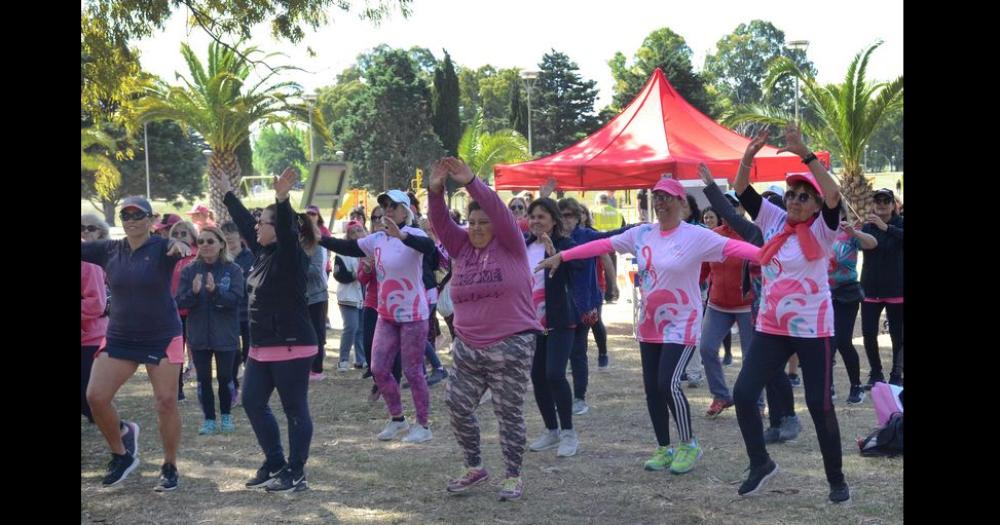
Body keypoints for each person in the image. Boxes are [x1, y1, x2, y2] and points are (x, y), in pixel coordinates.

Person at [536, 174, 759, 475]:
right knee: (653, 389)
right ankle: (664, 448)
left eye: (667, 197)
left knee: (668, 382)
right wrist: (562, 256)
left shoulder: (696, 235)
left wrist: (775, 256)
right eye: (657, 197)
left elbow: (738, 249)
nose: (661, 202)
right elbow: (600, 244)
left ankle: (689, 444)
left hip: (683, 323)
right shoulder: (642, 234)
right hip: (650, 324)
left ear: (681, 202)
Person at [731, 124, 850, 503]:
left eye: (804, 196)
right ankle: (760, 463)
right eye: (792, 195)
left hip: (812, 330)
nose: (796, 200)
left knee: (819, 404)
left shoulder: (822, 230)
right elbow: (740, 190)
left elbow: (833, 193)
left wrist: (806, 153)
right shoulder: (772, 220)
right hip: (771, 327)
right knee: (744, 393)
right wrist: (748, 159)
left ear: (815, 206)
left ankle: (836, 479)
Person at [428, 157, 542, 501]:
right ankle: (475, 466)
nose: (476, 228)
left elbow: (498, 209)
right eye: (472, 222)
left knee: (507, 412)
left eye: (483, 223)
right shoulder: (461, 247)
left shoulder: (510, 244)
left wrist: (471, 182)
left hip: (511, 344)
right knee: (457, 405)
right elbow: (440, 222)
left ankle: (512, 474)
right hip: (468, 346)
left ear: (497, 225)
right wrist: (434, 191)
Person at [82, 196, 192, 490]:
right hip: (121, 336)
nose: (130, 220)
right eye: (125, 215)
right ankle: (121, 454)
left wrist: (181, 247)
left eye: (137, 214)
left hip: (162, 334)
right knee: (95, 397)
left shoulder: (161, 247)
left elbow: (180, 248)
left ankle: (169, 465)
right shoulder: (110, 249)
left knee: (166, 402)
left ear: (150, 219)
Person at [221, 168, 319, 493]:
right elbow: (245, 224)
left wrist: (282, 199)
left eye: (262, 222)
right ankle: (276, 461)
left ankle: (297, 471)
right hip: (261, 346)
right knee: (251, 402)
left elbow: (290, 234)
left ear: (278, 229)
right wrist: (228, 194)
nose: (256, 226)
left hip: (292, 345)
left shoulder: (291, 255)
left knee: (294, 410)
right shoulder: (262, 253)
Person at [318, 190, 437, 444]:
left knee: (413, 371)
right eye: (384, 206)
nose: (387, 210)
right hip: (386, 314)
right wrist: (321, 239)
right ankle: (397, 419)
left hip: (414, 314)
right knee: (379, 369)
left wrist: (402, 235)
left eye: (392, 206)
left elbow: (429, 249)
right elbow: (348, 247)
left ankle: (423, 425)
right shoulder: (378, 239)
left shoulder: (414, 234)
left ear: (406, 210)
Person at [557, 197, 634, 416]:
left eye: (569, 215)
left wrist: (639, 227)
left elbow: (610, 236)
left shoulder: (586, 236)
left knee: (578, 352)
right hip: (556, 306)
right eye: (561, 215)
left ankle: (579, 397)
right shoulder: (551, 238)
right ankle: (560, 397)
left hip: (584, 302)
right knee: (559, 357)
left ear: (579, 217)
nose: (565, 220)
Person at [523, 197, 583, 458]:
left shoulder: (565, 245)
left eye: (542, 217)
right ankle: (551, 430)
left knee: (555, 374)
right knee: (537, 376)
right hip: (531, 323)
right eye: (533, 216)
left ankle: (569, 433)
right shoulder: (524, 245)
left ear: (554, 220)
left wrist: (556, 256)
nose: (536, 221)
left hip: (560, 319)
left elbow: (578, 269)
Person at [175, 226, 244, 435]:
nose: (205, 245)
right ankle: (209, 420)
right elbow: (179, 301)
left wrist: (215, 292)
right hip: (199, 335)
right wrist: (194, 293)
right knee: (203, 379)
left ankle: (226, 416)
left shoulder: (233, 270)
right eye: (201, 241)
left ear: (221, 244)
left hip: (226, 334)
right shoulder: (189, 270)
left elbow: (236, 299)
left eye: (210, 241)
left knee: (225, 377)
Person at [828, 204, 877, 404]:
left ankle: (856, 386)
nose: (832, 216)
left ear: (842, 213)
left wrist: (854, 232)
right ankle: (827, 385)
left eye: (836, 212)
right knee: (826, 344)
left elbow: (872, 243)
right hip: (822, 294)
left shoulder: (850, 234)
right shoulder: (819, 233)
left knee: (842, 341)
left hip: (847, 293)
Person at [860, 188, 904, 386]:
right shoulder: (867, 226)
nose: (881, 204)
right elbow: (862, 245)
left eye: (886, 200)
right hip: (870, 289)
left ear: (893, 205)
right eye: (877, 200)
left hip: (896, 289)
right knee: (869, 333)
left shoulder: (899, 224)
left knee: (898, 335)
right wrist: (853, 231)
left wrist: (886, 228)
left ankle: (897, 374)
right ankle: (875, 372)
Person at [221, 221, 253, 406]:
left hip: (249, 313)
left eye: (232, 234)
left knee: (250, 353)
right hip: (229, 313)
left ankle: (249, 389)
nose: (230, 238)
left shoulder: (252, 256)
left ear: (240, 236)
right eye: (226, 236)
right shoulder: (221, 260)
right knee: (232, 353)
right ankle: (233, 388)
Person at [168, 221, 200, 399]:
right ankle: (178, 390)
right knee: (175, 352)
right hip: (173, 311)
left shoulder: (198, 255)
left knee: (197, 350)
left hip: (194, 311)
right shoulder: (169, 256)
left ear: (192, 236)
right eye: (176, 234)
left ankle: (204, 387)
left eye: (183, 233)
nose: (179, 237)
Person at [333, 220, 368, 372]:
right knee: (351, 327)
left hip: (364, 296)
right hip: (348, 296)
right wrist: (355, 275)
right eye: (352, 232)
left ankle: (361, 359)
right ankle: (343, 359)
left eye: (359, 230)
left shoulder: (369, 249)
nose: (356, 234)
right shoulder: (343, 252)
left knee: (361, 329)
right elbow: (338, 274)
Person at [300, 212, 331, 381]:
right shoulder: (296, 245)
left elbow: (316, 270)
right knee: (303, 332)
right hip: (300, 296)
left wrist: (297, 266)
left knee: (317, 332)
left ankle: (317, 369)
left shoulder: (317, 246)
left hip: (317, 296)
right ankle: (305, 365)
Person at [701, 207, 734, 366]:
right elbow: (704, 266)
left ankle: (727, 352)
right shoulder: (708, 237)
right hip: (713, 292)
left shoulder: (745, 232)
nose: (708, 221)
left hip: (740, 299)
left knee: (725, 326)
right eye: (705, 218)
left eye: (710, 217)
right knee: (707, 344)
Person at [82, 261, 108, 424]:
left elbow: (97, 304)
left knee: (89, 398)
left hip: (90, 339)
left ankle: (122, 430)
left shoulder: (88, 262)